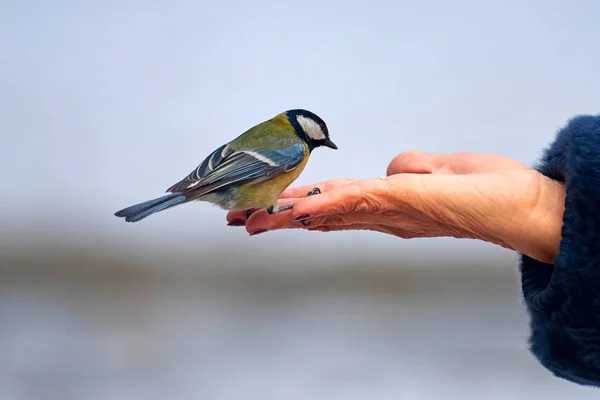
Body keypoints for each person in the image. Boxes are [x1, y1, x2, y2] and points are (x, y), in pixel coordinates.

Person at [226, 114, 600, 387]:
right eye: (319, 140)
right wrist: (552, 212)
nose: (323, 144)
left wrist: (546, 211)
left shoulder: (290, 143)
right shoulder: (289, 144)